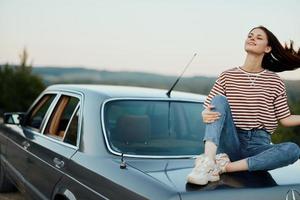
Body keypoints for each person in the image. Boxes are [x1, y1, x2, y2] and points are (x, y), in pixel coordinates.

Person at [187, 25, 300, 185]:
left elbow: (286, 119)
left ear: (267, 48)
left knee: (293, 150)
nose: (252, 38)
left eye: (259, 37)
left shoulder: (275, 81)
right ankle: (208, 161)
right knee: (219, 99)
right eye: (250, 35)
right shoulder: (227, 75)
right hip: (230, 141)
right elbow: (210, 110)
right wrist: (204, 114)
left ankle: (223, 168)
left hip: (258, 147)